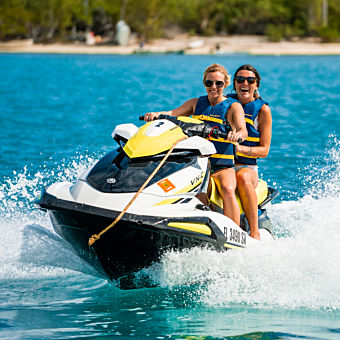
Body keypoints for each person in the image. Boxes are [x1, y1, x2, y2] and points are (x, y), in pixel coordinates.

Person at [144, 63, 248, 226]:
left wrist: (237, 135)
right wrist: (156, 115)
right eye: (209, 83)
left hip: (221, 165)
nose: (213, 87)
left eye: (218, 84)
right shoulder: (195, 103)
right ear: (204, 83)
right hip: (197, 163)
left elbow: (243, 130)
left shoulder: (233, 107)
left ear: (225, 84)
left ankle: (233, 231)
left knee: (227, 189)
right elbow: (172, 114)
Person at [229, 64, 272, 240]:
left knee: (243, 177)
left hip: (247, 167)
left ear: (256, 85)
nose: (244, 83)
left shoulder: (262, 111)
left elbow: (264, 150)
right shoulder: (226, 103)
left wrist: (241, 149)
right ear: (234, 84)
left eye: (250, 80)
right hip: (223, 164)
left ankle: (254, 232)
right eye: (240, 79)